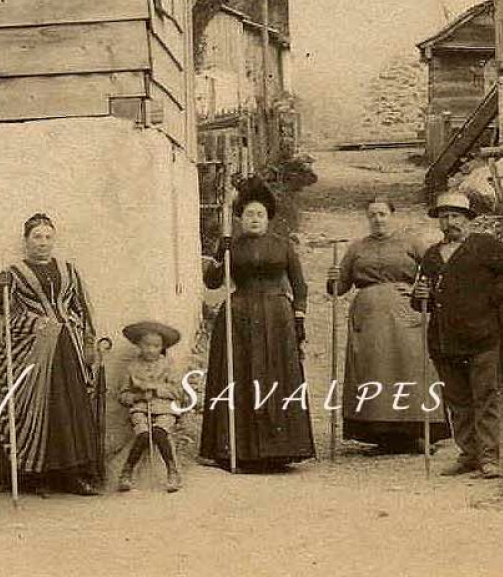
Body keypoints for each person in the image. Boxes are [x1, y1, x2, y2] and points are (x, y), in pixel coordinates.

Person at [412, 191, 503, 479]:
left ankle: (489, 459)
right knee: (457, 401)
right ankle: (468, 454)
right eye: (444, 216)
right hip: (444, 341)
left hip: (482, 337)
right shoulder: (431, 255)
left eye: (455, 216)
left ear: (468, 220)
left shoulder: (484, 246)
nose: (449, 222)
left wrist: (492, 295)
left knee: (485, 398)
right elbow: (420, 301)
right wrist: (420, 296)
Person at [198, 184, 316, 471]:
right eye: (249, 214)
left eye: (260, 214)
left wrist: (299, 316)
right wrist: (219, 254)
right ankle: (235, 448)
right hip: (238, 314)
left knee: (276, 375)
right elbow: (213, 282)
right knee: (238, 375)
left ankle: (281, 448)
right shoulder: (232, 245)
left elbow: (299, 286)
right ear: (241, 218)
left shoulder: (282, 245)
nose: (254, 219)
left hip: (277, 316)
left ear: (268, 218)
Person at [0, 213, 104, 496]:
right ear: (26, 241)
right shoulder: (13, 273)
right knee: (34, 410)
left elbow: (83, 308)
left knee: (70, 410)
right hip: (32, 350)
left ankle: (72, 475)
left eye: (47, 237)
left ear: (54, 239)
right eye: (36, 237)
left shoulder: (68, 269)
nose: (42, 243)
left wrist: (88, 340)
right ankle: (35, 476)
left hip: (67, 348)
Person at [328, 199, 451, 453]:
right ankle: (381, 436)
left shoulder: (411, 243)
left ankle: (420, 433)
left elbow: (435, 268)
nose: (378, 219)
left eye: (382, 214)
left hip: (407, 314)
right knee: (374, 373)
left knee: (410, 369)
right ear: (367, 218)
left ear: (392, 215)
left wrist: (425, 288)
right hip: (369, 319)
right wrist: (333, 280)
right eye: (372, 214)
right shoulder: (357, 248)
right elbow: (339, 289)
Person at [116, 320, 185, 493]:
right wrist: (138, 396)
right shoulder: (132, 367)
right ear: (139, 344)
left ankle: (172, 471)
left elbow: (178, 392)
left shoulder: (168, 365)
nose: (151, 349)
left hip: (165, 408)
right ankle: (127, 471)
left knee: (159, 432)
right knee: (143, 433)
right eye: (147, 345)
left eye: (156, 346)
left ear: (162, 347)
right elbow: (123, 395)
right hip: (140, 408)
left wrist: (156, 390)